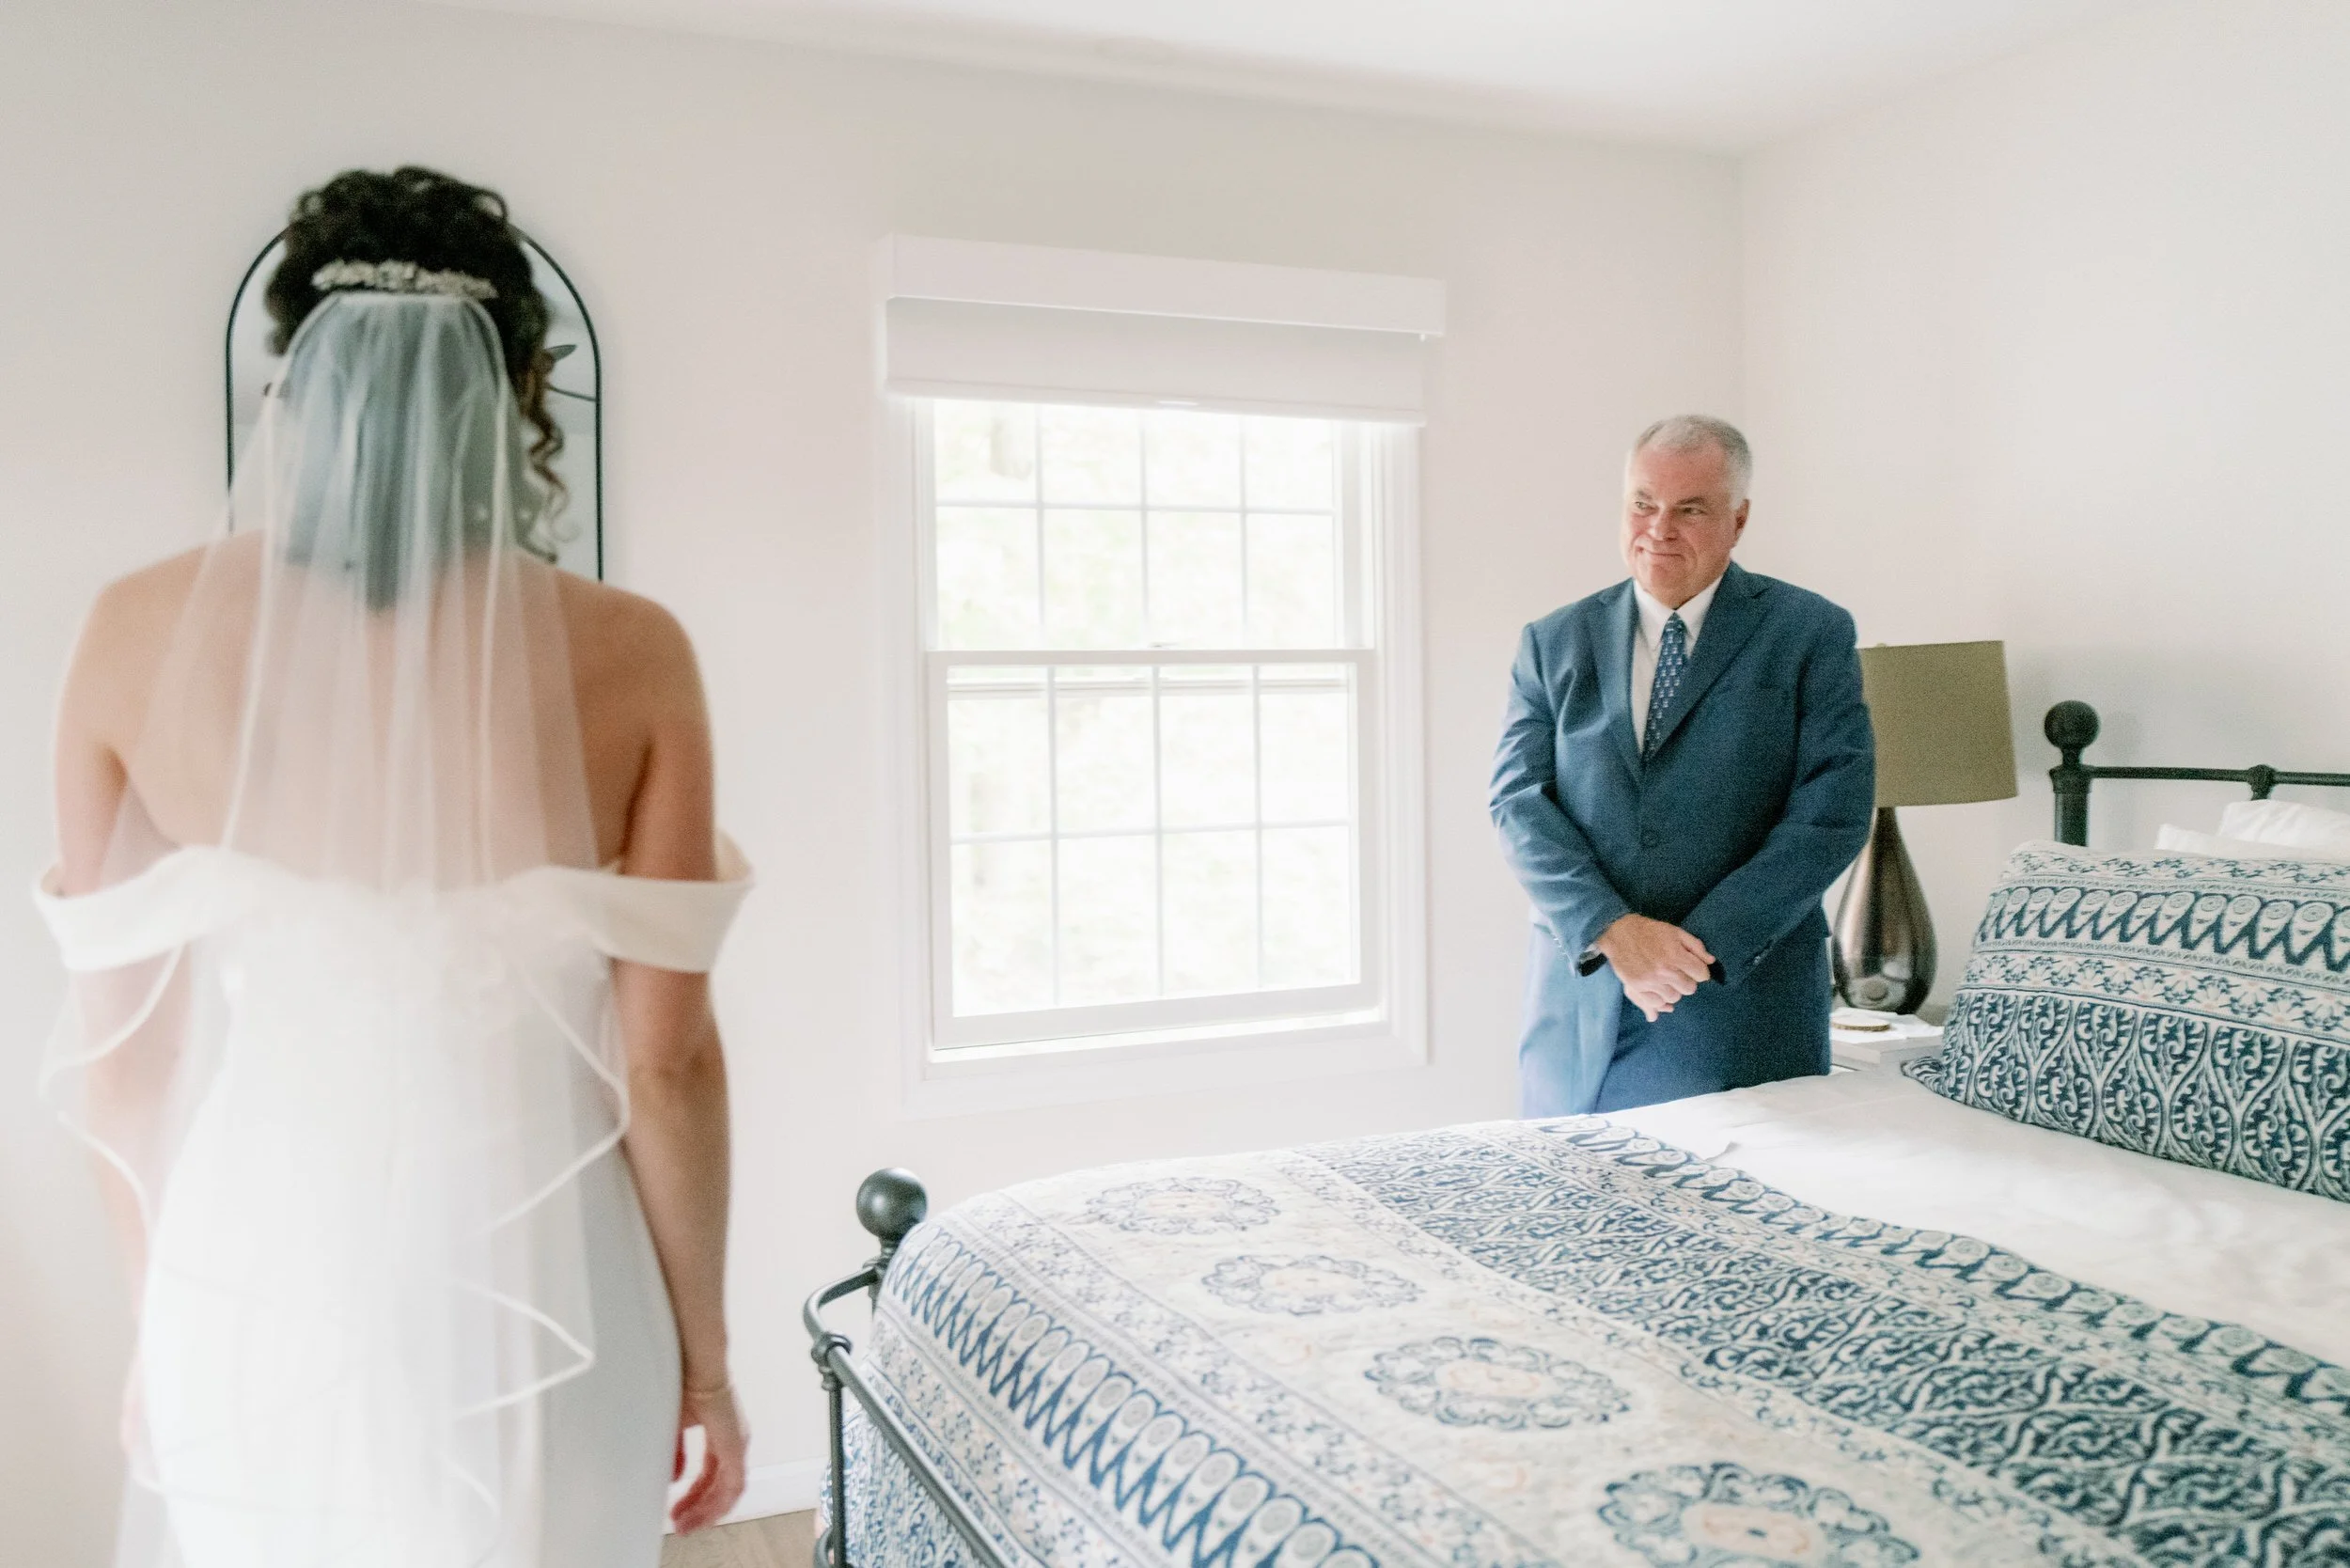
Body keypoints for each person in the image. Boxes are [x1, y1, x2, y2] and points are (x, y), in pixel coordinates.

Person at [37, 168, 751, 1568]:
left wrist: (167, 1324)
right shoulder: (636, 652)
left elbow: (125, 1061)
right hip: (550, 1280)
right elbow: (665, 1066)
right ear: (520, 388)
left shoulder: (128, 632)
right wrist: (707, 1368)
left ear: (290, 385)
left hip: (253, 1279)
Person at [1490, 416, 1872, 1117]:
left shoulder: (1810, 633)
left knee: (1741, 1213)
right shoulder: (1552, 641)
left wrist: (1691, 953)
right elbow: (1518, 804)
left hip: (1737, 995)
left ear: (1739, 518)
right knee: (1568, 1204)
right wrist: (1614, 930)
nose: (1659, 528)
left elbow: (1832, 812)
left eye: (1689, 509)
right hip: (1580, 995)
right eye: (1643, 503)